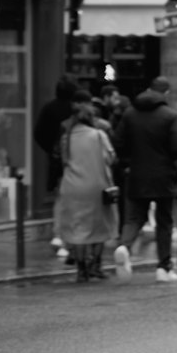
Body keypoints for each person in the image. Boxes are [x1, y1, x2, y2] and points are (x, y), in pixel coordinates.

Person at [113, 75, 177, 283]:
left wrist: (128, 162)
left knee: (134, 217)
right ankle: (163, 268)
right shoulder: (170, 116)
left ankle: (124, 246)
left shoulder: (130, 114)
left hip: (136, 173)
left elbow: (117, 142)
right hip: (163, 176)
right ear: (166, 94)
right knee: (164, 222)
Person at [54, 90, 118, 282]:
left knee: (77, 228)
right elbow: (110, 157)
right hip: (96, 186)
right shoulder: (98, 135)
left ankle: (81, 269)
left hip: (72, 186)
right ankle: (95, 265)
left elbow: (64, 160)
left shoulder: (67, 137)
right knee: (99, 226)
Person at [33, 75, 78, 259]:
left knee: (60, 197)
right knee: (74, 200)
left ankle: (58, 233)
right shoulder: (75, 110)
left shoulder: (49, 108)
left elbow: (39, 133)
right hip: (76, 158)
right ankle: (67, 236)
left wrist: (51, 149)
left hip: (57, 159)